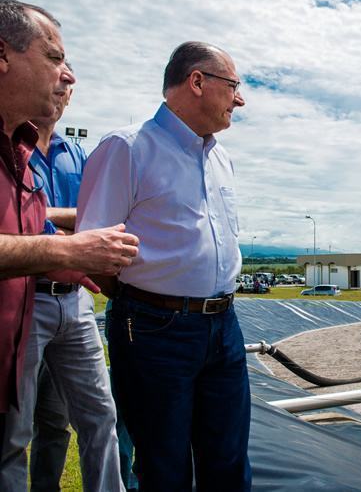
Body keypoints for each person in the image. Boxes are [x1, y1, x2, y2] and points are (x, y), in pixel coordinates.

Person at [77, 41, 251, 491]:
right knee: (164, 466)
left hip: (224, 326)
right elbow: (92, 250)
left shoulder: (220, 158)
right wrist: (146, 300)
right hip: (153, 329)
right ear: (197, 82)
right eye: (233, 85)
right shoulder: (127, 148)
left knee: (228, 460)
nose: (240, 98)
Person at [0, 0, 138, 461]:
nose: (67, 82)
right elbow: (76, 218)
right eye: (55, 61)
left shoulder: (61, 153)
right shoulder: (16, 150)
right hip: (27, 297)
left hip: (70, 300)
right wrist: (69, 243)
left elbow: (71, 215)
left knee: (83, 418)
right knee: (20, 434)